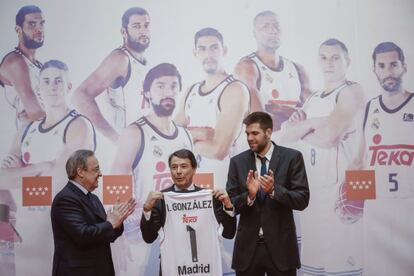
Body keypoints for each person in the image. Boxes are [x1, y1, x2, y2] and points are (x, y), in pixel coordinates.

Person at [0, 60, 97, 276]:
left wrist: (20, 174)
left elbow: (58, 182)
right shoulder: (27, 130)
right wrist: (41, 167)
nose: (52, 86)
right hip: (28, 232)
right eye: (46, 81)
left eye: (58, 81)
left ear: (68, 87)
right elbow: (1, 180)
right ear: (38, 88)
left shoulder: (78, 125)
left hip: (63, 230)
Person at [278, 39, 365, 275]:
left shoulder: (352, 91)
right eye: (324, 57)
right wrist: (317, 124)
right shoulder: (314, 98)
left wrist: (304, 130)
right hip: (313, 194)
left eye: (336, 57)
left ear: (347, 61)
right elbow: (285, 136)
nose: (329, 63)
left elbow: (329, 138)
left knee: (342, 268)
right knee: (312, 269)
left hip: (341, 194)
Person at [110, 63, 192, 274]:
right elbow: (116, 185)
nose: (168, 92)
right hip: (140, 234)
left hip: (178, 231)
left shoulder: (185, 135)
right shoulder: (135, 132)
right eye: (161, 86)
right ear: (147, 92)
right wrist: (116, 234)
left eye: (174, 86)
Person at [226, 111, 309, 276]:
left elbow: (302, 200)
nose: (249, 138)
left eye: (255, 133)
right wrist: (249, 196)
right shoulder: (238, 162)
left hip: (281, 251)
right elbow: (231, 204)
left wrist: (274, 191)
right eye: (247, 134)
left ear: (269, 132)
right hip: (247, 251)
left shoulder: (292, 157)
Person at [357, 42, 414, 276]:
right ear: (375, 70)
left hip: (409, 207)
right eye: (382, 65)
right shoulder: (369, 109)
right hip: (377, 210)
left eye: (393, 64)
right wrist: (357, 203)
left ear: (404, 67)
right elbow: (361, 161)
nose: (388, 71)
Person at [140, 149, 236, 275]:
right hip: (174, 269)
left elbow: (229, 233)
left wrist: (228, 206)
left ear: (194, 169)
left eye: (183, 166)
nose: (178, 172)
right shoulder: (161, 200)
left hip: (204, 269)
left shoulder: (210, 198)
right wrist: (147, 209)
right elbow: (148, 237)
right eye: (174, 167)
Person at [175, 27, 249, 188]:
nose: (208, 54)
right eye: (202, 49)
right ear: (195, 53)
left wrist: (187, 141)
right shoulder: (190, 92)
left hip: (224, 189)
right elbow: (171, 141)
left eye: (214, 48)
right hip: (191, 187)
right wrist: (200, 134)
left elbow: (218, 151)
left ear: (225, 50)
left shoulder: (235, 90)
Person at [51, 149, 136, 276]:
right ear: (80, 172)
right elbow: (83, 235)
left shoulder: (93, 198)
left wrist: (117, 223)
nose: (100, 174)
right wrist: (111, 223)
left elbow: (106, 234)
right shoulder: (65, 199)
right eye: (96, 169)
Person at [73, 7, 150, 143]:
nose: (143, 31)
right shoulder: (120, 59)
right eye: (136, 27)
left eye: (146, 25)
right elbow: (80, 96)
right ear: (123, 31)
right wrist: (116, 139)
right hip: (121, 151)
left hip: (140, 146)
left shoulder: (143, 61)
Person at [234, 11, 311, 131]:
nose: (273, 31)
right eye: (265, 26)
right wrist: (298, 119)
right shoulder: (247, 67)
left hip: (296, 146)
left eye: (277, 26)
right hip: (264, 147)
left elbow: (314, 114)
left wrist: (281, 109)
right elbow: (259, 121)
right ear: (254, 33)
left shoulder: (298, 69)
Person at [0, 5, 45, 129]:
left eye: (41, 24)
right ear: (18, 30)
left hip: (42, 135)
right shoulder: (15, 61)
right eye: (32, 24)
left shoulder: (39, 66)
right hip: (26, 141)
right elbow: (35, 111)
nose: (39, 29)